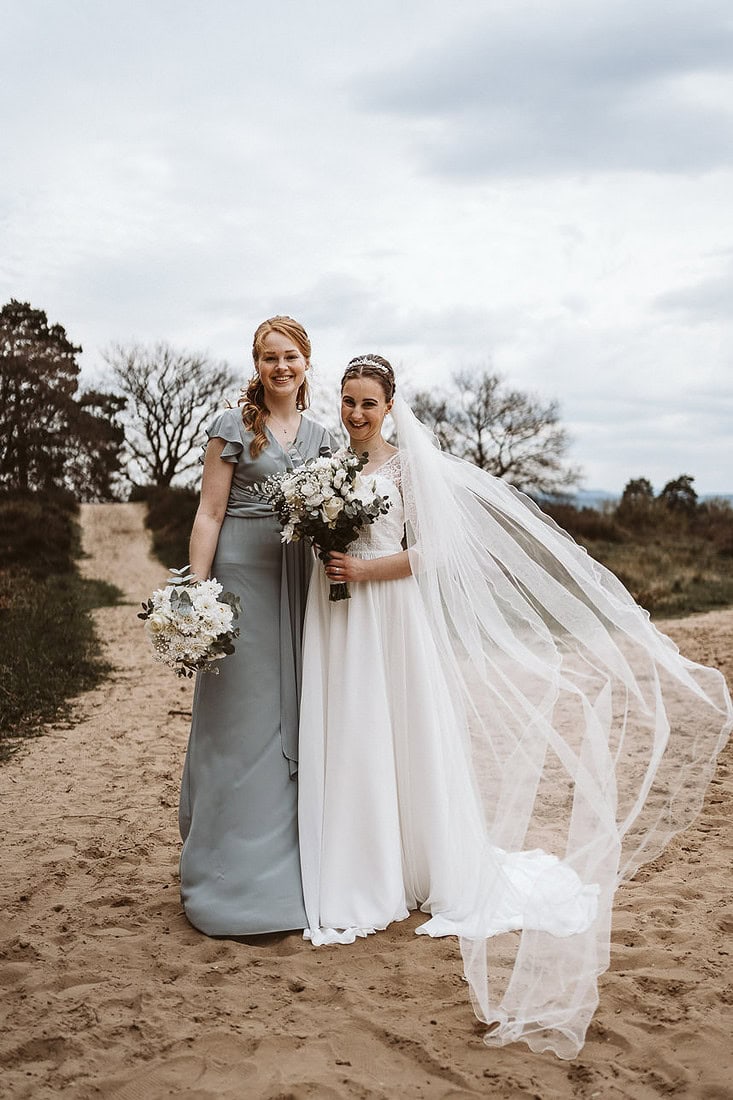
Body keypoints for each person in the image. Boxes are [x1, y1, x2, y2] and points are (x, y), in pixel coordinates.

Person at [297, 354, 733, 1058]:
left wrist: (366, 568)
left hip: (390, 612)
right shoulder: (326, 468)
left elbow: (436, 548)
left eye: (366, 403)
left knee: (402, 731)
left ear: (389, 405)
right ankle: (362, 862)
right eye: (346, 401)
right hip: (340, 619)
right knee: (353, 733)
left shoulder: (409, 469)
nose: (353, 414)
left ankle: (420, 865)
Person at [178, 315, 335, 937]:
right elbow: (209, 511)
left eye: (290, 356)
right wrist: (198, 591)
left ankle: (288, 875)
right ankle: (225, 876)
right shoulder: (232, 427)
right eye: (269, 357)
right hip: (240, 584)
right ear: (256, 364)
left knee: (289, 722)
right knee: (239, 723)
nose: (280, 367)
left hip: (297, 587)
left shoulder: (324, 435)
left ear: (305, 362)